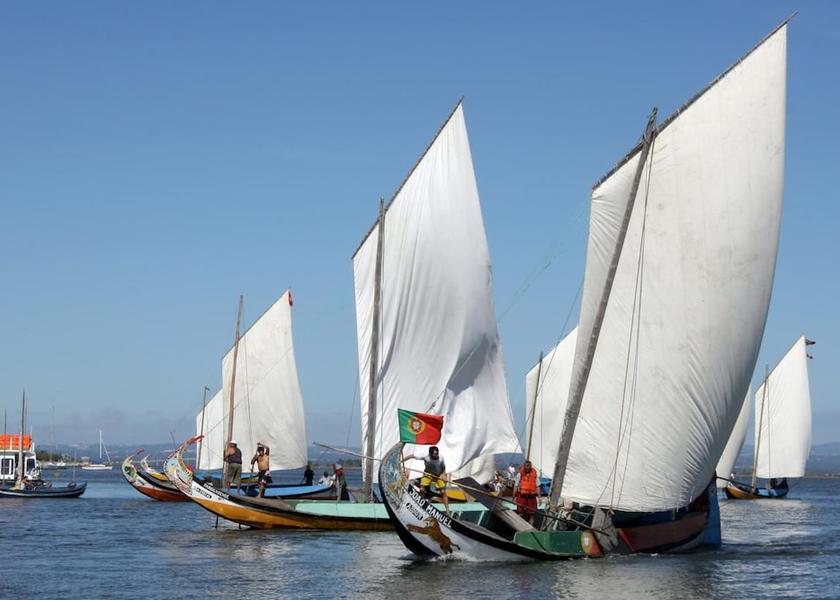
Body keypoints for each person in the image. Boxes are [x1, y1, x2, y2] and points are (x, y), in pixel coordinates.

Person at [514, 460, 539, 526]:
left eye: (528, 466)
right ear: (524, 466)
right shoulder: (520, 474)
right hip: (522, 496)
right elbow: (516, 486)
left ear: (531, 466)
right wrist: (514, 497)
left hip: (531, 496)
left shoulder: (534, 475)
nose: (527, 467)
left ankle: (530, 529)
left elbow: (538, 486)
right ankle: (519, 527)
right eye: (525, 466)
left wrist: (539, 497)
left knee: (532, 515)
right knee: (521, 513)